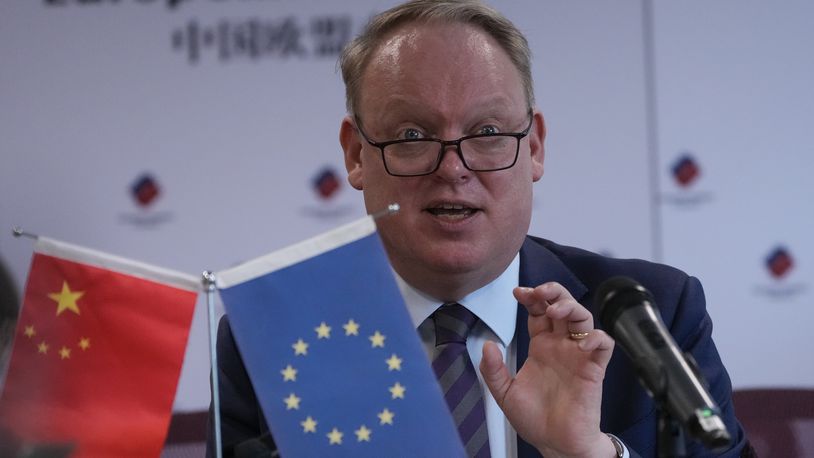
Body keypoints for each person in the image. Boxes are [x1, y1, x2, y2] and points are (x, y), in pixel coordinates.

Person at [208, 1, 752, 456]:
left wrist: (593, 456)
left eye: (488, 131)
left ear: (533, 147)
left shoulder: (652, 312)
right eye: (412, 134)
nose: (453, 167)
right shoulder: (276, 337)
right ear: (355, 155)